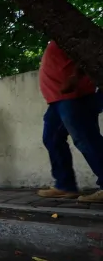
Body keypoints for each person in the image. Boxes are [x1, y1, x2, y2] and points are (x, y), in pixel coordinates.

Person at [37, 40, 103, 203]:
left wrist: (75, 77)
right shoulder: (56, 35)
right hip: (58, 100)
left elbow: (88, 54)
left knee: (86, 139)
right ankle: (65, 186)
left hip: (74, 96)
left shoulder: (67, 33)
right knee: (52, 139)